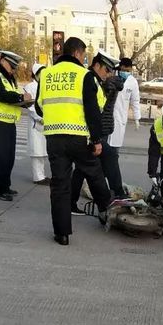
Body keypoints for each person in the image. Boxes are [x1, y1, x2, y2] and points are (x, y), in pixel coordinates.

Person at [35, 38, 112, 246]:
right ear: (78, 53)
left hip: (54, 138)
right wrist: (96, 140)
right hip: (78, 137)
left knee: (59, 185)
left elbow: (39, 106)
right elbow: (92, 111)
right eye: (84, 55)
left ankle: (62, 234)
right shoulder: (84, 75)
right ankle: (108, 210)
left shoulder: (46, 74)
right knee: (94, 172)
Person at [70, 51, 125, 215]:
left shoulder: (97, 81)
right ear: (97, 65)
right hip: (89, 134)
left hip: (93, 132)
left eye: (110, 71)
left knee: (82, 169)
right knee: (108, 157)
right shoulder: (91, 80)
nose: (108, 74)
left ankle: (71, 203)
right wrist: (95, 139)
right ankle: (115, 196)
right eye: (106, 70)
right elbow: (91, 112)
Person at [0, 50, 32, 201]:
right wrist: (20, 97)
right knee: (0, 157)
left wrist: (25, 102)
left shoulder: (8, 77)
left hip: (9, 122)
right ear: (3, 61)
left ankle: (6, 186)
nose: (13, 69)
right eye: (11, 66)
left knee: (9, 157)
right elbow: (0, 94)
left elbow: (11, 97)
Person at [106, 57, 142, 192]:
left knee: (114, 153)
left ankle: (112, 184)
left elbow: (135, 101)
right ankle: (106, 181)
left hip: (120, 121)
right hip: (107, 119)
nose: (125, 72)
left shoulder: (133, 83)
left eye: (128, 70)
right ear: (119, 68)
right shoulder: (111, 77)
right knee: (105, 151)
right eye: (123, 70)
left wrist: (137, 118)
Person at [24, 63, 50, 185]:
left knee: (43, 152)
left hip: (45, 123)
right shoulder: (30, 87)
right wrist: (39, 118)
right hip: (36, 124)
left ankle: (42, 175)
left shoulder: (45, 86)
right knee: (37, 152)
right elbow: (30, 106)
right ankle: (38, 177)